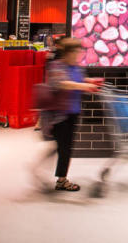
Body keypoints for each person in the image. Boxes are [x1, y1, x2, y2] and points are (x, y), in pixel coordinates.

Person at [34, 38, 99, 192]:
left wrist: (91, 81)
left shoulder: (77, 67)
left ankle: (43, 170)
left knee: (62, 147)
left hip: (73, 112)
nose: (79, 54)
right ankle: (61, 180)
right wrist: (83, 85)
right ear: (69, 52)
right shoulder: (56, 66)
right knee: (64, 148)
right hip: (58, 115)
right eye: (77, 51)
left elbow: (79, 80)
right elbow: (61, 83)